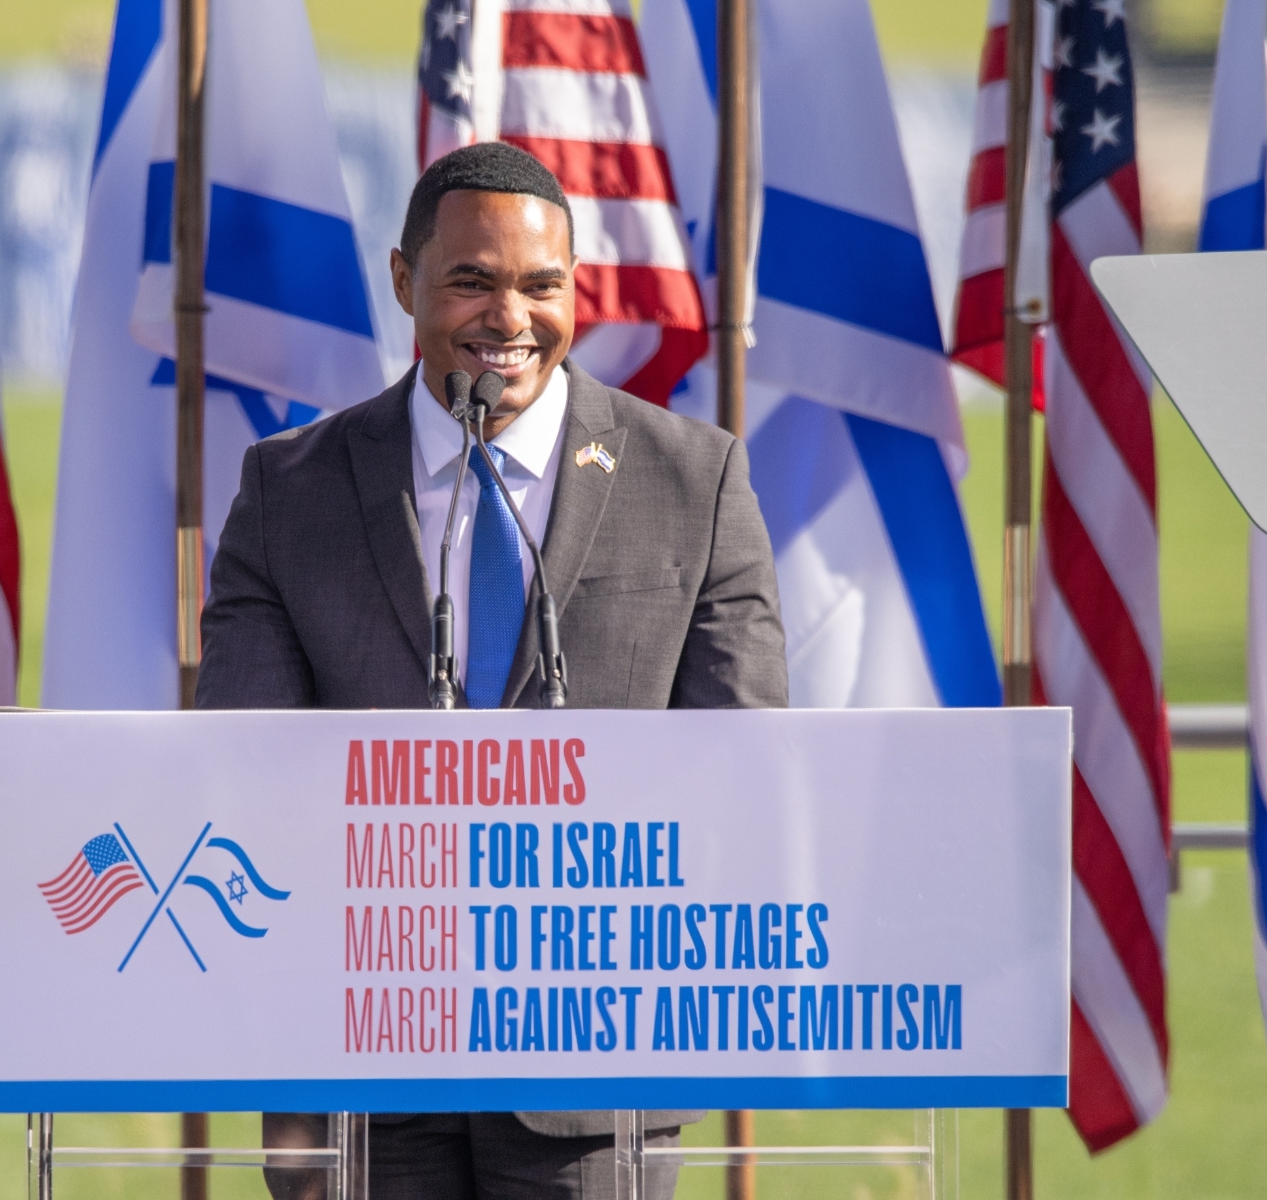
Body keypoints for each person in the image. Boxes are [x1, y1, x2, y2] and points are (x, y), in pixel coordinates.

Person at [198, 142, 787, 1200]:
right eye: (471, 279)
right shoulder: (286, 489)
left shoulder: (695, 481)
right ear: (403, 282)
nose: (508, 317)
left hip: (596, 1061)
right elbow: (245, 765)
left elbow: (743, 762)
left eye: (541, 285)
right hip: (355, 1061)